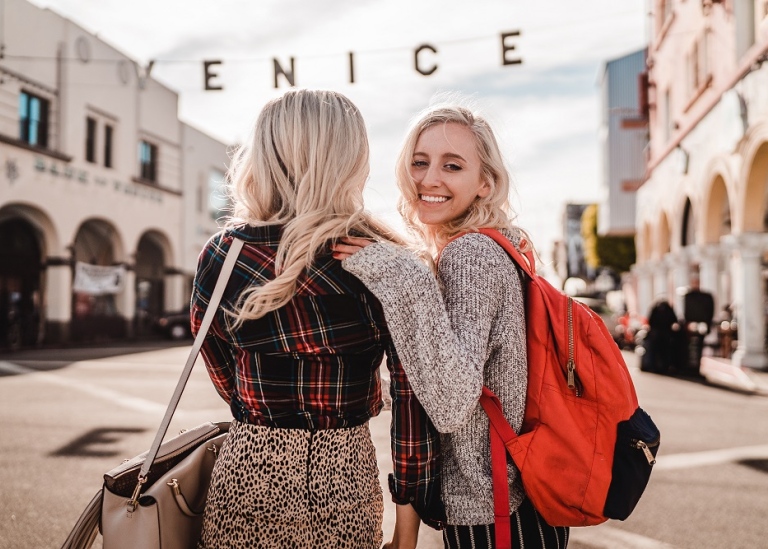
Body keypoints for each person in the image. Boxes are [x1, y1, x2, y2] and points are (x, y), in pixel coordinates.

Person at [190, 89, 441, 549]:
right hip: (344, 475)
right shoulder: (376, 260)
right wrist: (407, 532)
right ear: (349, 159)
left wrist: (261, 411)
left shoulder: (225, 255)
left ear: (265, 154)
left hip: (247, 469)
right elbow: (411, 403)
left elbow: (219, 366)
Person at [332, 103, 569, 548]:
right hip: (519, 500)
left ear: (485, 183)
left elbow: (451, 403)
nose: (430, 178)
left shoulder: (471, 256)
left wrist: (403, 275)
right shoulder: (501, 245)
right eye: (420, 162)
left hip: (497, 508)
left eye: (452, 165)